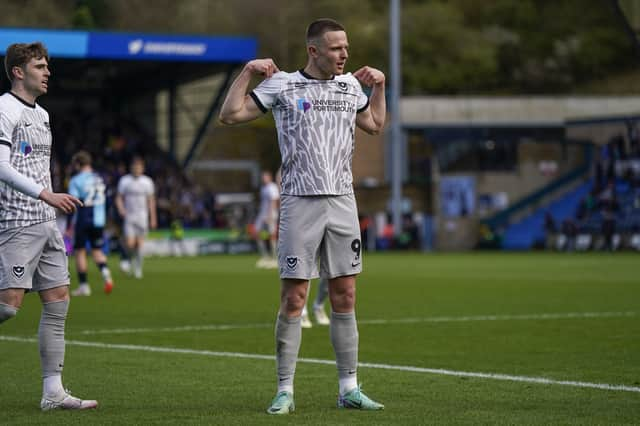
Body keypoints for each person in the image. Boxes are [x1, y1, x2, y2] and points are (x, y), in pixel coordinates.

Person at [220, 18, 386, 414]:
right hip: (299, 201)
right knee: (294, 297)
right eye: (335, 48)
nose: (344, 54)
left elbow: (376, 125)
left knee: (345, 294)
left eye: (346, 47)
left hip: (343, 201)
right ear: (314, 51)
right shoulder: (282, 85)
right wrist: (247, 72)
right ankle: (285, 390)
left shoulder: (350, 88)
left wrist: (380, 86)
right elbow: (230, 115)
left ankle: (349, 388)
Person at [0, 42, 97, 410]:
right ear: (18, 72)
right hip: (16, 221)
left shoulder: (42, 114)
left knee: (57, 302)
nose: (47, 72)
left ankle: (53, 392)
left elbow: (37, 165)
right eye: (40, 66)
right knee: (8, 307)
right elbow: (2, 166)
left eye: (47, 66)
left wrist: (51, 200)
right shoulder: (3, 109)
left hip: (46, 222)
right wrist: (46, 194)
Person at [66, 150, 114, 296]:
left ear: (79, 164)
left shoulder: (76, 180)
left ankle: (84, 286)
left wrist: (69, 226)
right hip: (99, 220)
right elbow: (108, 199)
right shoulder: (101, 178)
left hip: (83, 218)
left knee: (80, 252)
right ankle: (107, 276)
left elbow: (71, 203)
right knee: (97, 250)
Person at [115, 156, 156, 279]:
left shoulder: (147, 182)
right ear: (131, 168)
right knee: (130, 243)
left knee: (140, 244)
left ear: (142, 168)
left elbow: (151, 201)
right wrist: (121, 209)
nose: (137, 169)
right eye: (135, 166)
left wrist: (153, 218)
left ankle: (138, 268)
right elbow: (118, 198)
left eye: (139, 167)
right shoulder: (125, 181)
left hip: (142, 217)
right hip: (130, 216)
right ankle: (127, 260)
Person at [254, 170, 279, 269]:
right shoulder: (263, 188)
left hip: (270, 214)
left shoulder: (272, 187)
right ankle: (265, 256)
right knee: (256, 232)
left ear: (269, 177)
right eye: (263, 177)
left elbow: (274, 201)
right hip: (262, 214)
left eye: (265, 177)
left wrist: (270, 215)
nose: (263, 179)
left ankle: (275, 258)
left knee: (272, 235)